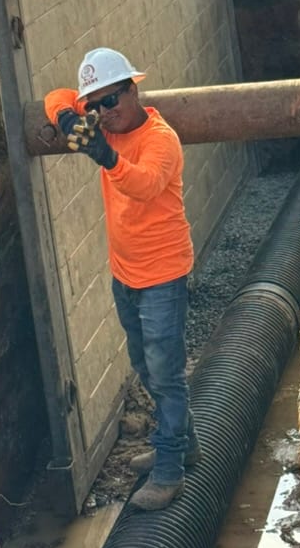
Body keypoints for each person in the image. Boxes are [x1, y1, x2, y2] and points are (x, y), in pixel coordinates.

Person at [44, 47, 201, 511]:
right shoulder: (100, 117)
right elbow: (57, 95)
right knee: (145, 365)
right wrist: (68, 119)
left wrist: (103, 154)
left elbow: (145, 184)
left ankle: (170, 470)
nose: (103, 113)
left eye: (110, 102)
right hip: (125, 272)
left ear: (133, 91)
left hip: (163, 275)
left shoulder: (160, 139)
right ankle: (184, 442)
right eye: (93, 106)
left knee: (167, 375)